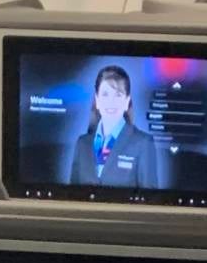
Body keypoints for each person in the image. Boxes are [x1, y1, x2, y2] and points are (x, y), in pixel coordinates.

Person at [63, 64, 172, 192]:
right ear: (97, 100)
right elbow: (71, 195)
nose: (111, 102)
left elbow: (150, 198)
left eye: (118, 95)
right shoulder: (82, 143)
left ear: (127, 102)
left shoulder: (143, 143)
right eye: (105, 94)